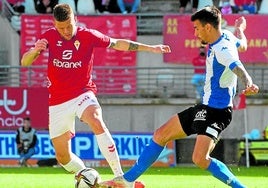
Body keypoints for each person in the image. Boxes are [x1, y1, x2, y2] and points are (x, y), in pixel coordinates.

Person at [99, 6, 259, 188]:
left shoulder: (223, 49)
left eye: (197, 28)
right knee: (160, 135)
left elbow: (237, 66)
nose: (195, 32)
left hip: (218, 111)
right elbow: (243, 45)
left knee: (200, 158)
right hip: (205, 107)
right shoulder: (229, 36)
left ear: (208, 27)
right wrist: (240, 30)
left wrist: (248, 82)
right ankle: (127, 181)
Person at [20, 2, 171, 185]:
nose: (66, 31)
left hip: (82, 92)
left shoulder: (88, 35)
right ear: (54, 25)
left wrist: (149, 48)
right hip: (58, 101)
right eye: (61, 28)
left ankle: (122, 178)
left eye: (69, 26)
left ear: (75, 19)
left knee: (96, 119)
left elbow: (117, 43)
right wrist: (35, 51)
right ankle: (88, 176)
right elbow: (25, 62)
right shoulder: (49, 36)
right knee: (62, 157)